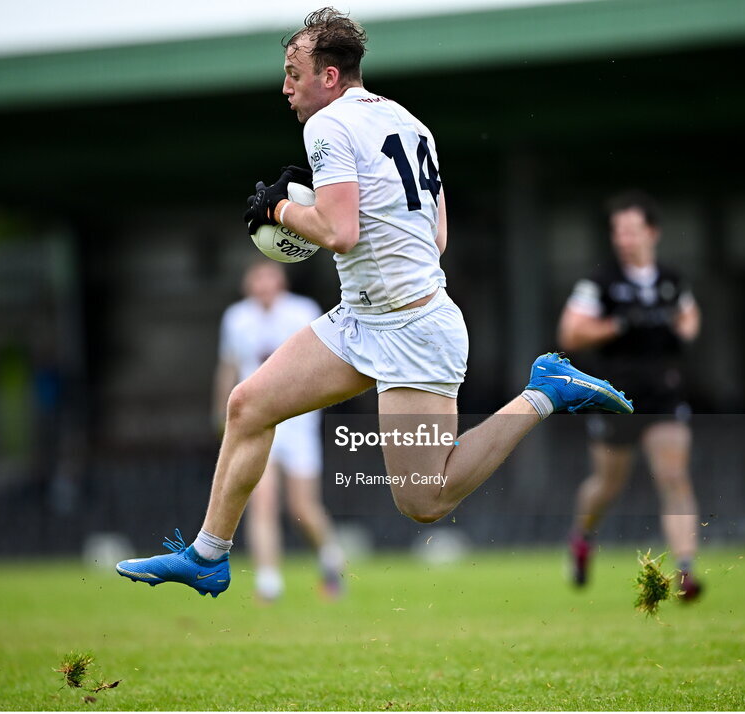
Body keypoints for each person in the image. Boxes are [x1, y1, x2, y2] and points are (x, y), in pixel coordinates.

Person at [116, 7, 633, 598]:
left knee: (424, 500)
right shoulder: (413, 123)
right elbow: (434, 237)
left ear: (329, 77)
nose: (285, 87)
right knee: (247, 405)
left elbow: (340, 232)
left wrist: (278, 209)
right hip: (364, 316)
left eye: (293, 73)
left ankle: (545, 391)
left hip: (413, 327)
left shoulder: (327, 126)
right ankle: (209, 555)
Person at [557, 190, 703, 600]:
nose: (623, 238)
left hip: (663, 393)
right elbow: (570, 332)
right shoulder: (600, 283)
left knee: (673, 476)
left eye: (631, 230)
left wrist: (680, 328)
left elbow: (690, 319)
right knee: (607, 484)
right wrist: (618, 326)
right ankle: (582, 538)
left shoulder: (671, 280)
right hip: (615, 397)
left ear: (652, 233)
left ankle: (686, 570)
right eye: (617, 231)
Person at [213, 261, 344, 601]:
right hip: (258, 420)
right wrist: (223, 415)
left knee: (303, 506)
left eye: (269, 279)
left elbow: (321, 365)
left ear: (280, 281)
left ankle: (331, 559)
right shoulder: (236, 318)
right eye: (256, 279)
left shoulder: (303, 311)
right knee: (262, 501)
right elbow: (228, 367)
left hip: (299, 421)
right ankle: (269, 583)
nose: (263, 286)